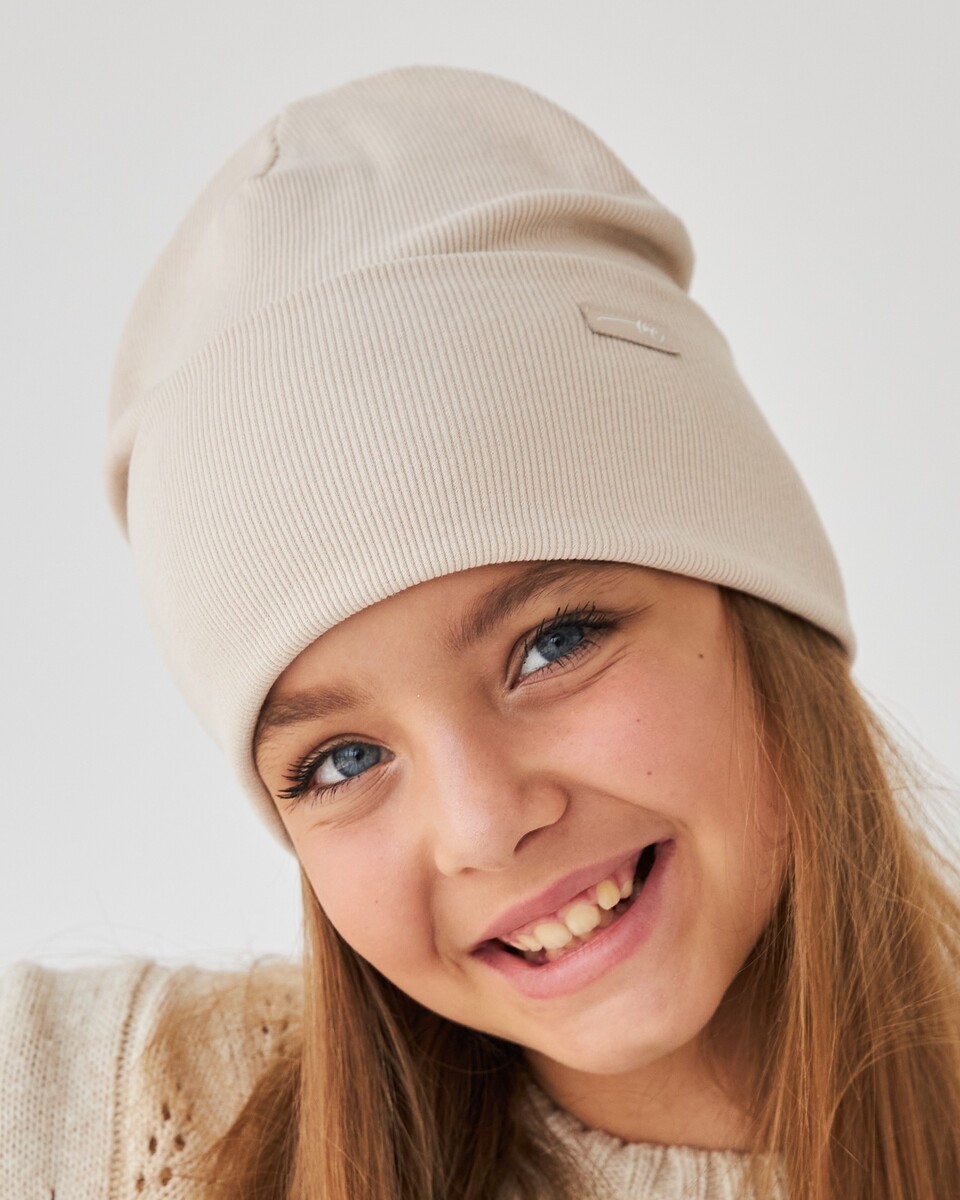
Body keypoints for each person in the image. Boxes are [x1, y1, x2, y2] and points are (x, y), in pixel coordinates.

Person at [2, 63, 958, 1200]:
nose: (483, 826)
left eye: (553, 644)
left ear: (759, 602)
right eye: (341, 761)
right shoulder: (114, 1115)